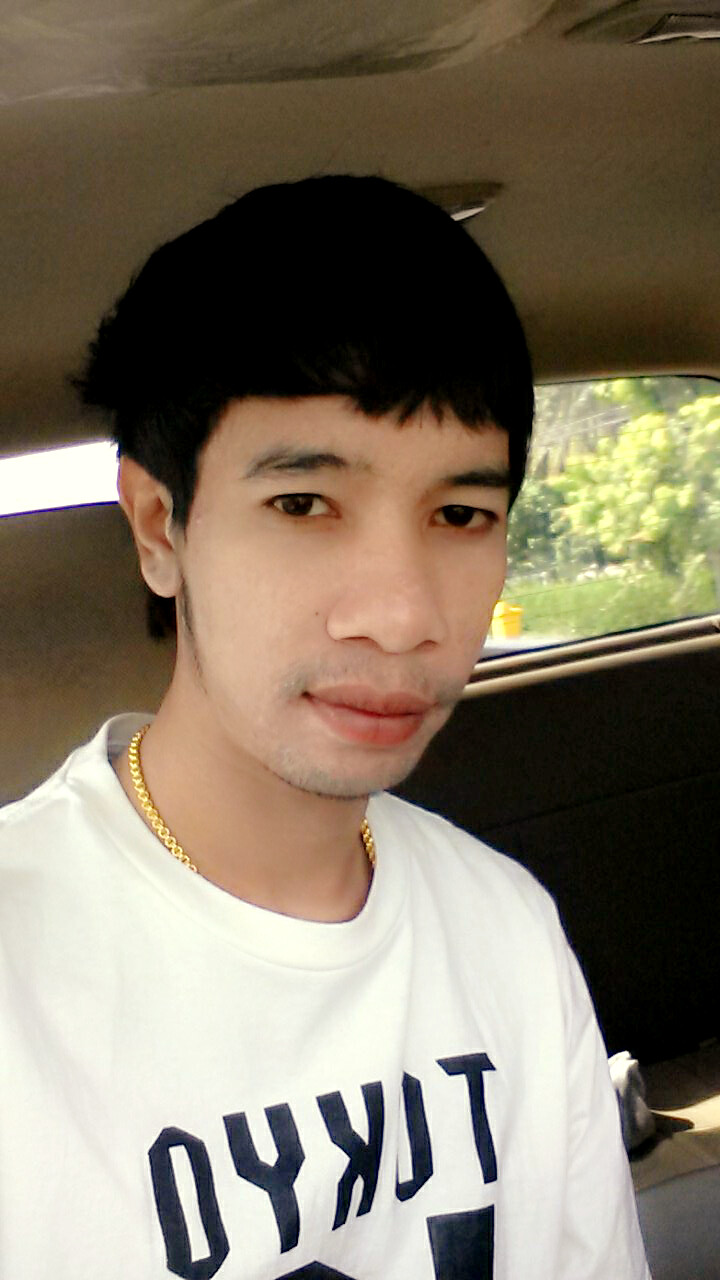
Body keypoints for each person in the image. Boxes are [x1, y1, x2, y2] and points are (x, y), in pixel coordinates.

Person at [0, 176, 650, 1279]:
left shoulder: (505, 929)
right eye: (303, 504)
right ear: (159, 527)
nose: (401, 615)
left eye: (461, 514)